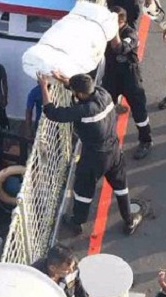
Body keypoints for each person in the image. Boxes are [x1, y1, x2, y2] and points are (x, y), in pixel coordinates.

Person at [39, 72, 141, 236]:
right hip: (114, 150)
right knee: (121, 186)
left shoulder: (83, 110)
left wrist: (44, 87)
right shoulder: (104, 94)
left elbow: (52, 113)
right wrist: (65, 80)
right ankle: (129, 220)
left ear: (79, 94)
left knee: (83, 190)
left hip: (94, 156)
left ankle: (77, 222)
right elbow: (84, 90)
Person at [103, 6, 153, 159]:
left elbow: (119, 48)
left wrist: (113, 30)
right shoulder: (104, 32)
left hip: (129, 76)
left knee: (139, 109)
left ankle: (145, 140)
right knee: (106, 107)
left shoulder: (131, 34)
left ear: (121, 21)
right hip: (112, 74)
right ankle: (109, 142)